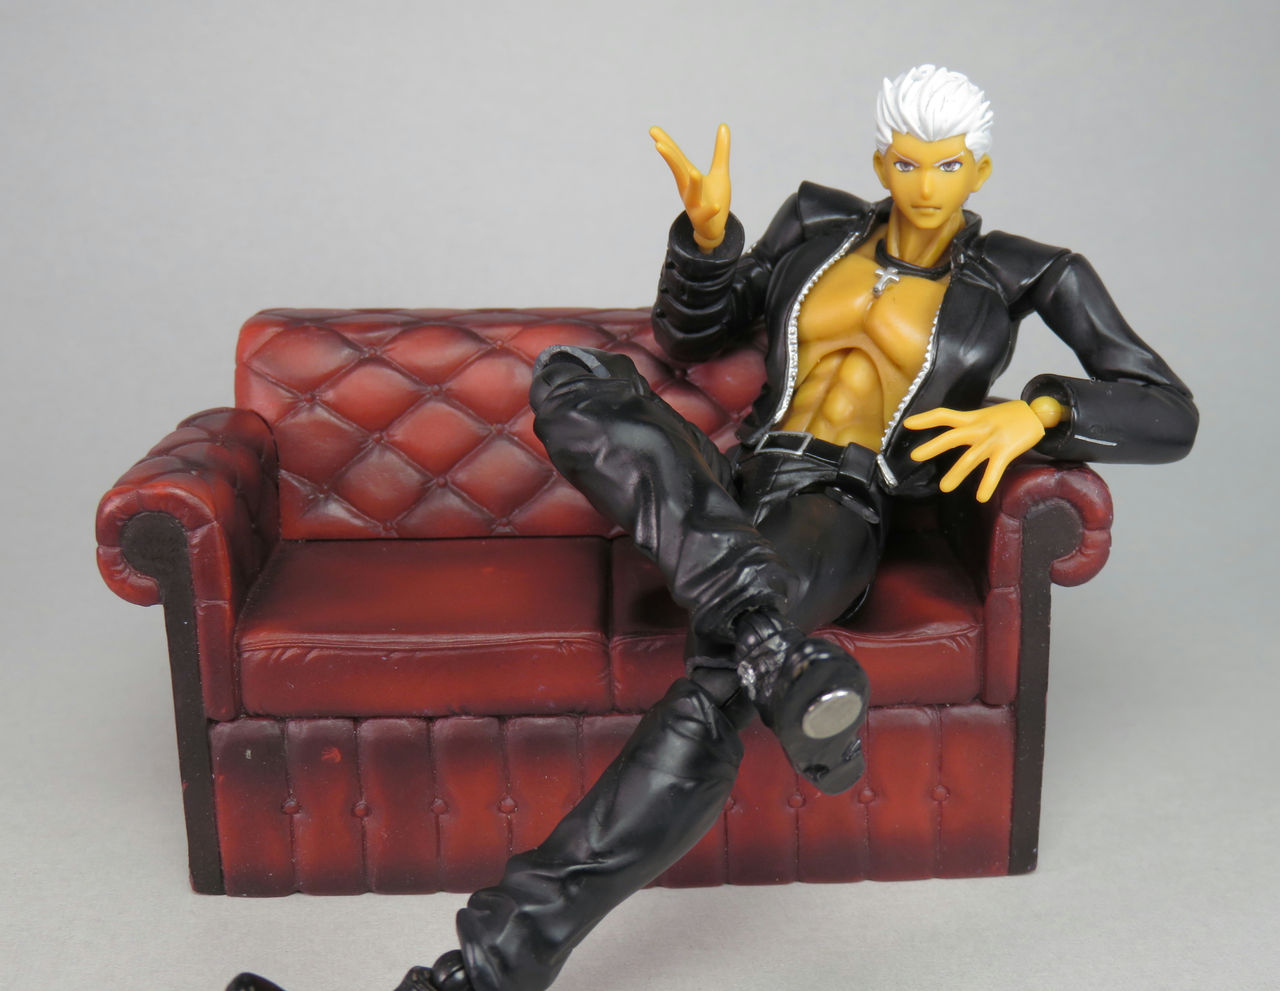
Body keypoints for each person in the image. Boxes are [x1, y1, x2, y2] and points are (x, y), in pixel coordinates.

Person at [229, 64, 1197, 991]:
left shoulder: (1031, 274)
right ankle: (773, 644)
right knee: (574, 375)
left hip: (838, 503)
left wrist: (1038, 411)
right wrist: (706, 239)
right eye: (907, 160)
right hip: (732, 477)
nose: (927, 184)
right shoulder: (817, 221)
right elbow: (692, 334)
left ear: (979, 168)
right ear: (880, 161)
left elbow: (1166, 408)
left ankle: (474, 974)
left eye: (948, 164)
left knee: (713, 685)